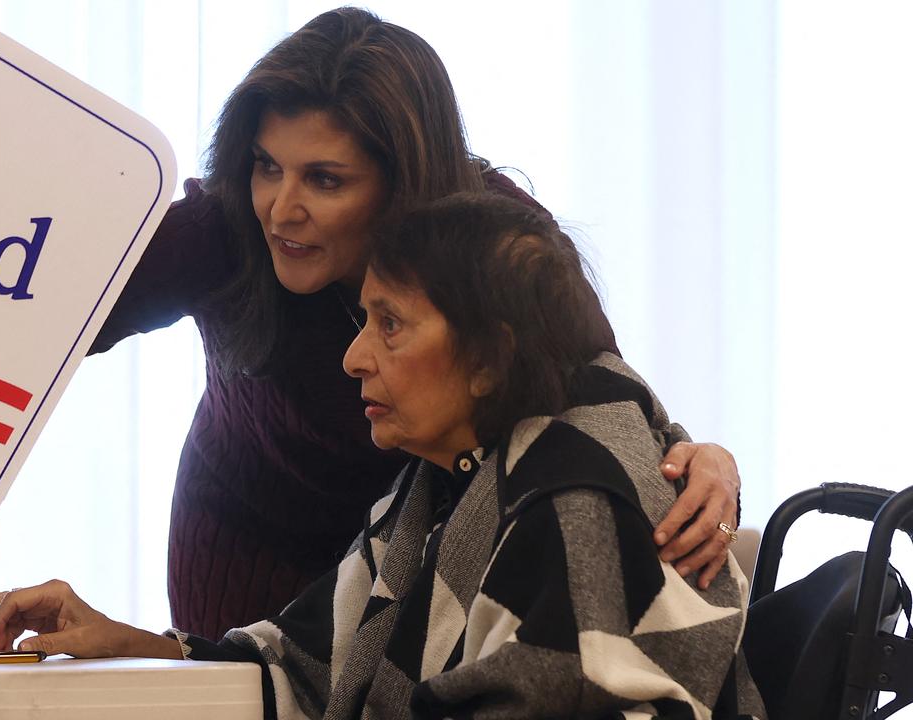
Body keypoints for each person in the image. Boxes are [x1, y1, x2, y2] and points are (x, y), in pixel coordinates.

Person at [90, 7, 741, 640]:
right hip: (247, 542)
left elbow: (592, 391)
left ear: (400, 183)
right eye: (266, 165)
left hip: (421, 555)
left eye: (324, 179)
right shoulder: (225, 225)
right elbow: (49, 319)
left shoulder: (495, 242)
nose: (280, 209)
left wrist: (697, 458)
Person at [0, 192, 766, 719]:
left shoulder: (572, 508)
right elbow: (306, 665)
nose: (355, 357)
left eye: (389, 325)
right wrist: (133, 644)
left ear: (490, 358)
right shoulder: (449, 481)